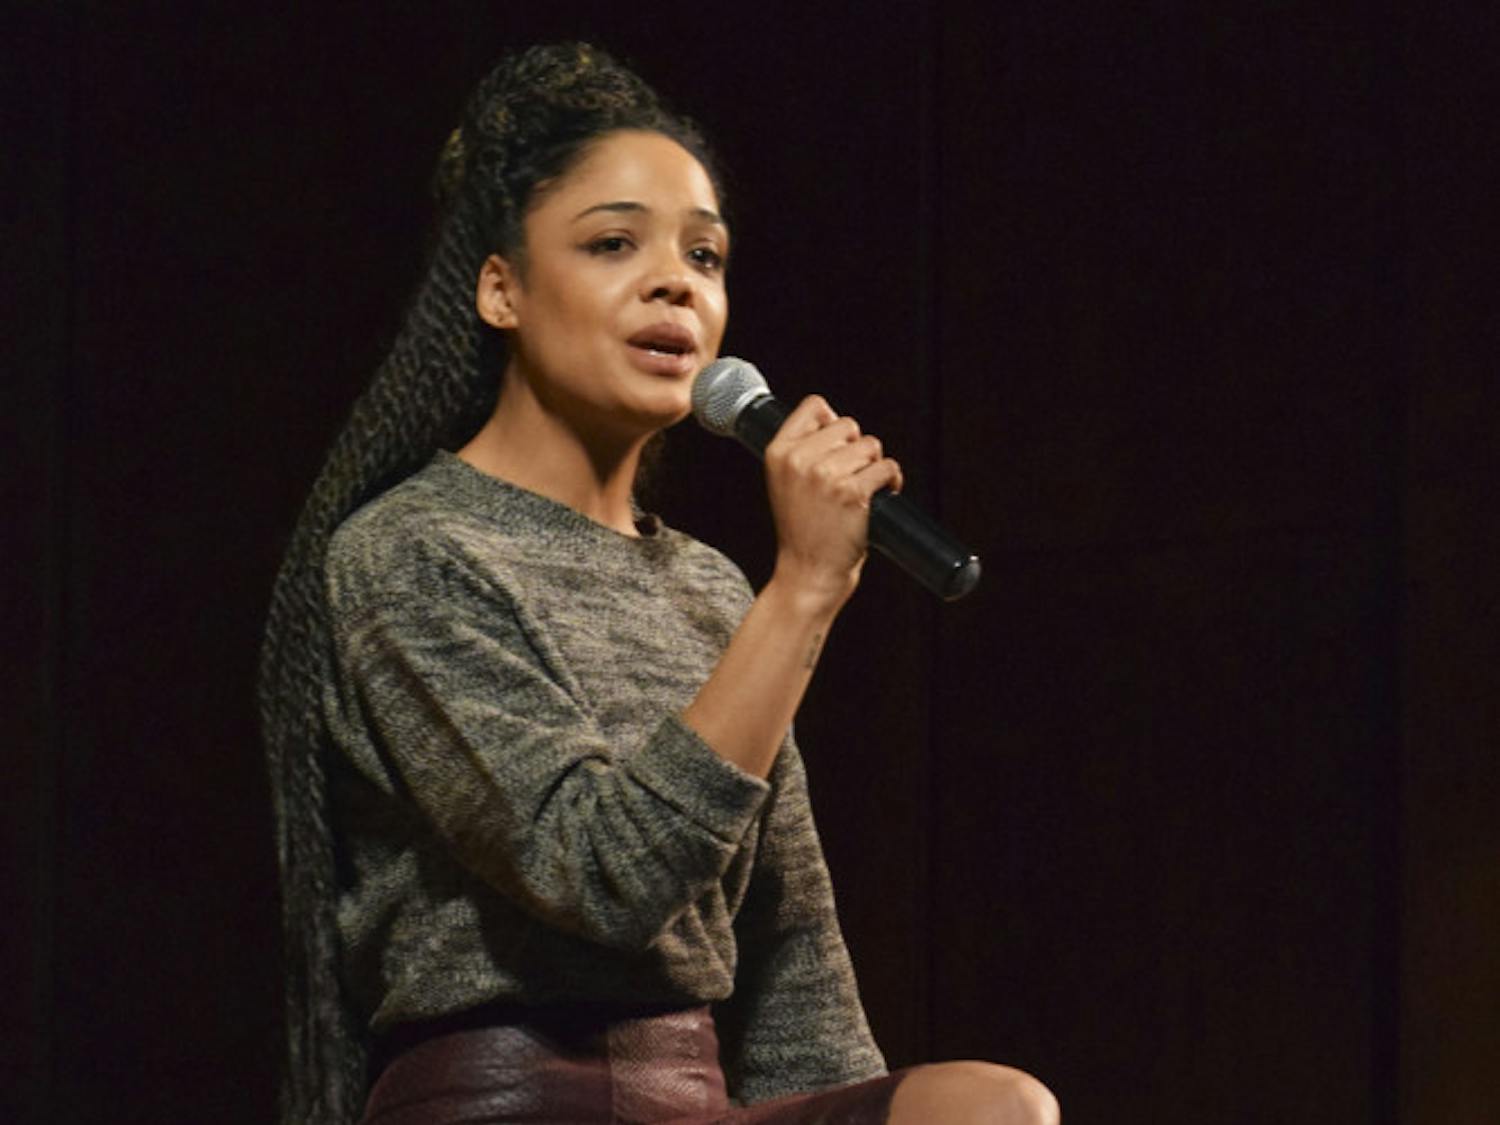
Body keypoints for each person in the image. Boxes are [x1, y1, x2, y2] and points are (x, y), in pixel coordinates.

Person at [260, 42, 1058, 1125]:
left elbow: (789, 950)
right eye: (612, 242)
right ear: (500, 290)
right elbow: (602, 875)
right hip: (512, 1101)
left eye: (706, 254)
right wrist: (802, 592)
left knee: (991, 1106)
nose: (677, 280)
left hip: (695, 1099)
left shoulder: (708, 587)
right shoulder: (412, 551)